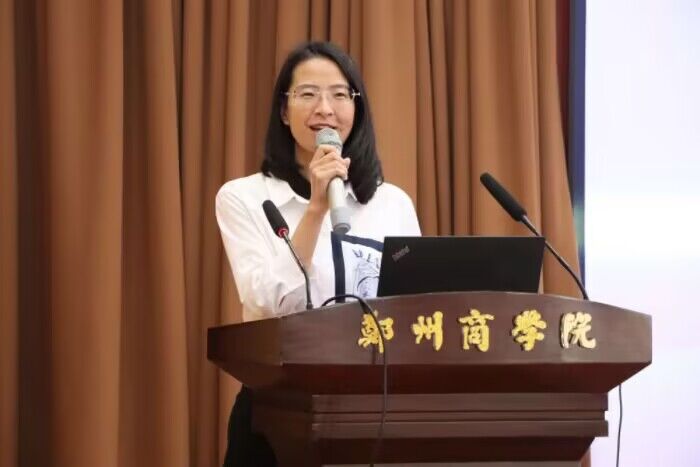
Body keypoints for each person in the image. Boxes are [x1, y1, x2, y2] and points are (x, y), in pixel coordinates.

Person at [215, 41, 421, 466]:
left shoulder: (392, 203)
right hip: (277, 410)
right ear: (283, 110)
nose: (325, 109)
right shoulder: (243, 197)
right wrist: (315, 209)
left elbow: (413, 310)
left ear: (356, 109)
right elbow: (268, 305)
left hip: (374, 411)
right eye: (307, 94)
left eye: (340, 95)